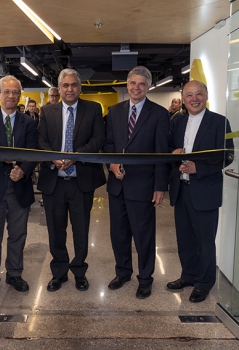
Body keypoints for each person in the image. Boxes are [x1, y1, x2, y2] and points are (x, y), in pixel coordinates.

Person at [37, 68, 106, 292]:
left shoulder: (93, 109)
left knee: (81, 230)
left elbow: (98, 139)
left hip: (81, 181)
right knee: (56, 230)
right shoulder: (47, 111)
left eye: (74, 85)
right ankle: (59, 272)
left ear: (80, 87)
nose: (69, 89)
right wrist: (54, 158)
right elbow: (41, 141)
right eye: (65, 85)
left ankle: (79, 271)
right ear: (59, 88)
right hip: (53, 182)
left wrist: (74, 157)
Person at [104, 66, 169, 299]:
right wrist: (111, 165)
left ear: (148, 86)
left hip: (143, 186)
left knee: (143, 235)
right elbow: (109, 145)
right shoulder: (114, 111)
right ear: (127, 85)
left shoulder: (160, 114)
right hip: (117, 185)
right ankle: (123, 272)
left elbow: (162, 153)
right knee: (118, 233)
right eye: (132, 83)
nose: (136, 87)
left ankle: (145, 278)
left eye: (142, 84)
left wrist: (160, 186)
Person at [167, 80, 234, 303]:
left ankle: (204, 283)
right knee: (184, 239)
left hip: (205, 190)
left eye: (199, 94)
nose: (194, 99)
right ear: (183, 99)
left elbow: (228, 156)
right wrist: (174, 155)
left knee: (205, 241)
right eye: (189, 95)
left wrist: (200, 168)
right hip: (181, 190)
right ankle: (188, 275)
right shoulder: (177, 121)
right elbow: (168, 149)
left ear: (206, 96)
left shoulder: (220, 122)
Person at [0, 75, 38, 301]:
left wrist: (23, 170)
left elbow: (33, 152)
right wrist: (3, 160)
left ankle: (14, 274)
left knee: (18, 235)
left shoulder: (30, 123)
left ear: (20, 96)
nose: (11, 96)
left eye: (15, 92)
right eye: (7, 92)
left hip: (19, 187)